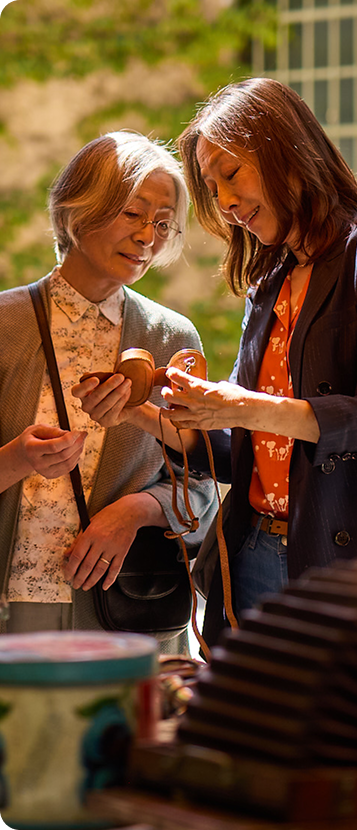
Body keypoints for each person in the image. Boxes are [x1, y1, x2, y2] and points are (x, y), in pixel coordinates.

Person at [76, 79, 357, 649]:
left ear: (287, 149)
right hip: (252, 553)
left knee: (339, 736)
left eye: (231, 174)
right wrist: (136, 412)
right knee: (247, 734)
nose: (226, 203)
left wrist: (238, 404)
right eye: (212, 187)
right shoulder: (269, 285)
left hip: (349, 559)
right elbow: (235, 450)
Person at [0, 130, 216, 639]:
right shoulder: (6, 326)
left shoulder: (171, 337)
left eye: (163, 223)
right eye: (133, 213)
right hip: (14, 611)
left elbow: (204, 478)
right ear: (78, 211)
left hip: (128, 605)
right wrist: (16, 459)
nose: (149, 236)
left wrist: (137, 510)